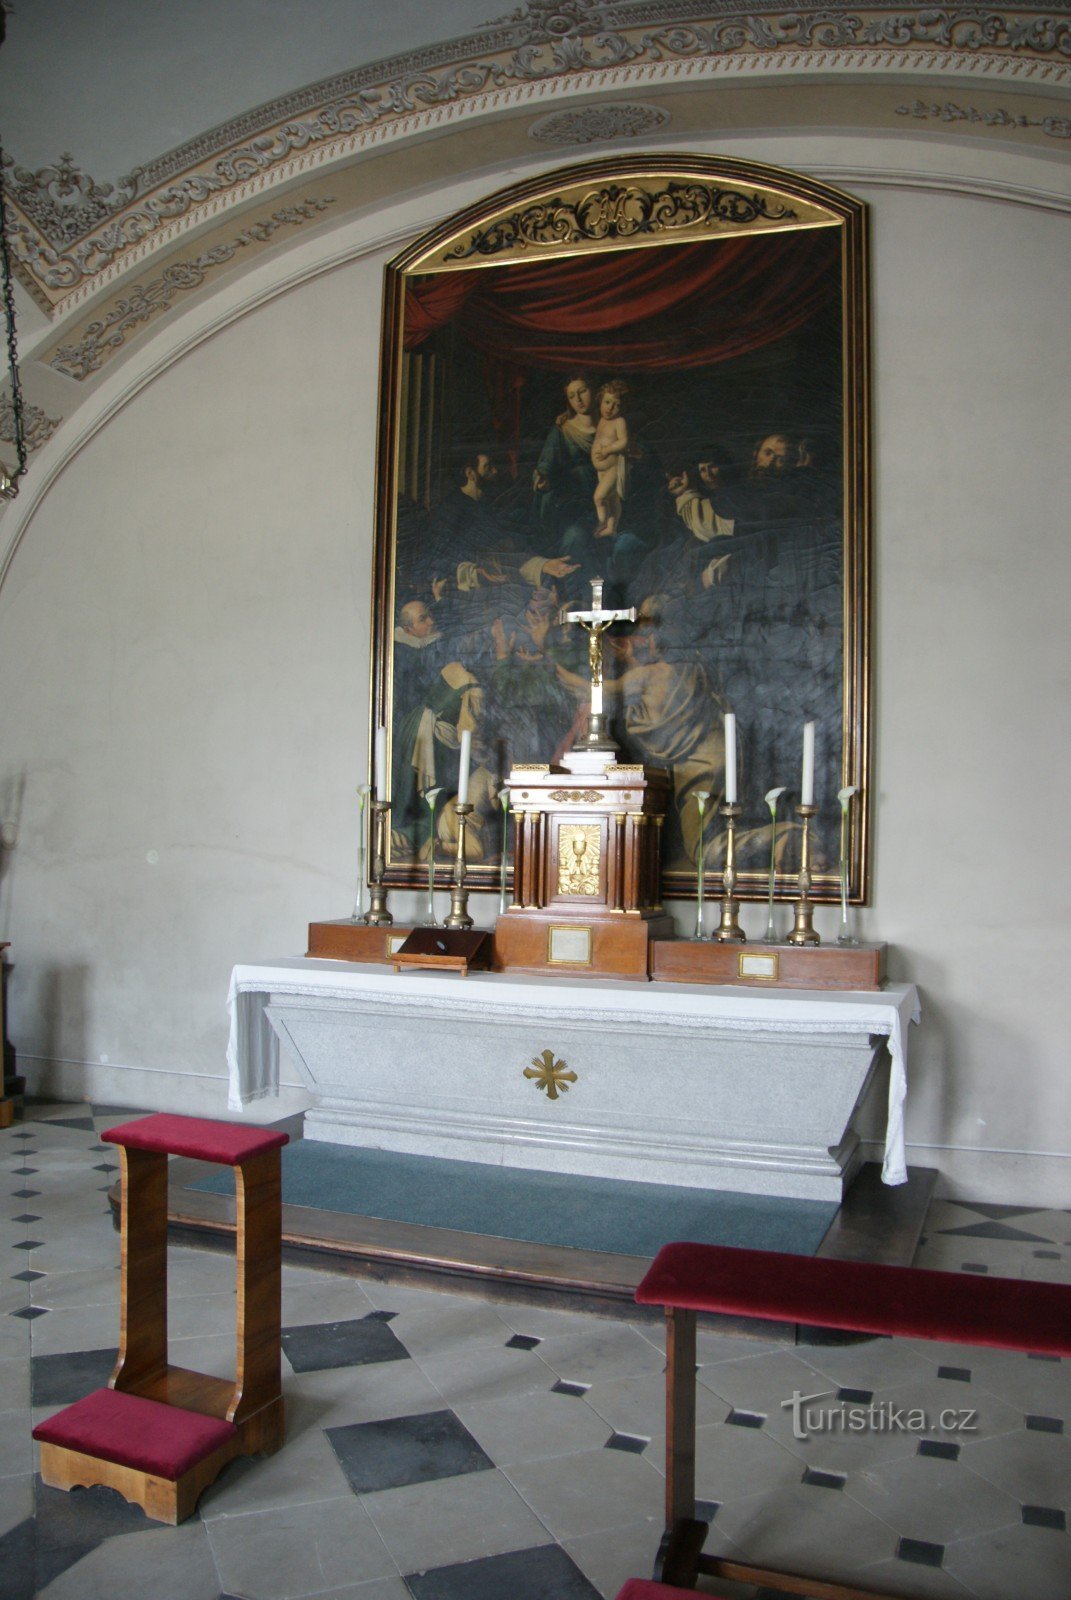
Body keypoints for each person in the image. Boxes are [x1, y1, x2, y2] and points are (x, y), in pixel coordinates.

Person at [591, 379, 631, 538]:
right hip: (601, 470)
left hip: (613, 468)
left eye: (617, 405)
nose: (610, 408)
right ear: (600, 400)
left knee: (599, 497)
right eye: (607, 402)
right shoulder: (600, 420)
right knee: (612, 499)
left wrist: (607, 450)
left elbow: (623, 441)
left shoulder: (619, 421)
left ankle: (602, 522)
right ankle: (611, 527)